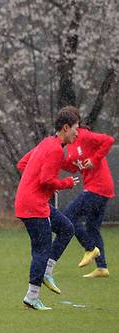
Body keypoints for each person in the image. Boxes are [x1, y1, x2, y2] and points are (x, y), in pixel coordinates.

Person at [15, 107, 80, 310]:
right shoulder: (54, 149)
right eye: (75, 129)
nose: (77, 134)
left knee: (67, 228)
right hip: (34, 206)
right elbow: (46, 179)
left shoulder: (47, 143)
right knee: (41, 250)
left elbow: (22, 164)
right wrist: (65, 183)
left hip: (31, 201)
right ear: (66, 127)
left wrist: (37, 183)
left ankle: (47, 270)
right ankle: (31, 297)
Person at [59, 107, 115, 278]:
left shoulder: (84, 135)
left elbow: (109, 140)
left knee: (68, 216)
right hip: (97, 188)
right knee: (92, 227)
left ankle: (90, 248)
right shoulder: (71, 142)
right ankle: (102, 267)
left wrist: (94, 159)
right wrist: (53, 159)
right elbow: (71, 165)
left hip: (99, 187)